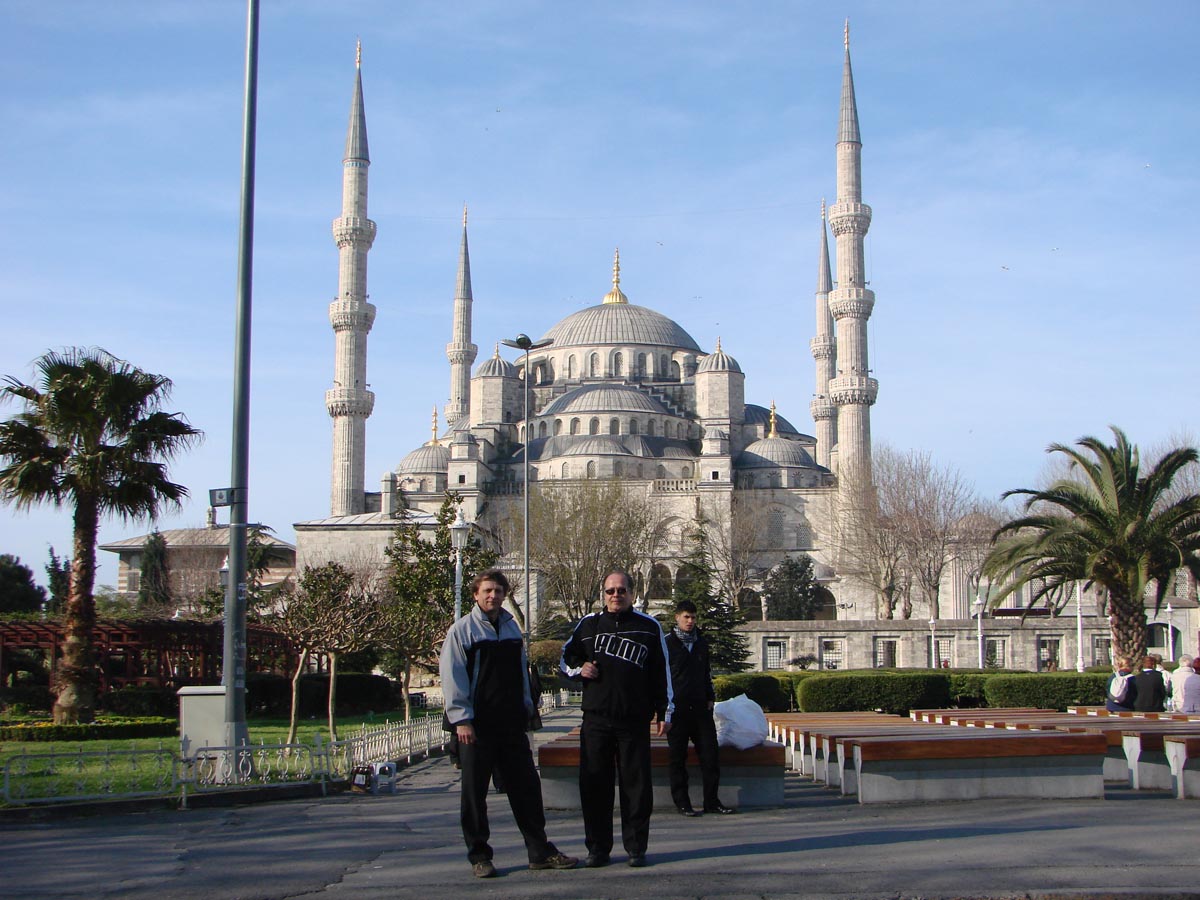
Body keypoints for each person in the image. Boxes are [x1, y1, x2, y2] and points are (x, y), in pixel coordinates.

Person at [440, 569, 577, 878]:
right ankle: (479, 856)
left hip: (511, 723)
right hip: (476, 727)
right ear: (476, 594)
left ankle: (539, 850)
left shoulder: (511, 628)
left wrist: (527, 707)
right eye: (487, 590)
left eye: (498, 591)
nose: (493, 596)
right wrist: (461, 720)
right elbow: (452, 677)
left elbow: (520, 672)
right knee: (474, 794)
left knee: (526, 788)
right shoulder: (462, 631)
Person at [560, 570, 673, 869]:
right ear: (603, 593)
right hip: (596, 718)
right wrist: (580, 669)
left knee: (636, 786)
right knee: (594, 784)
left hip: (633, 719)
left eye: (621, 590)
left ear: (632, 593)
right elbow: (565, 658)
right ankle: (598, 849)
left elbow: (661, 671)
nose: (616, 595)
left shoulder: (649, 627)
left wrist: (665, 710)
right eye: (610, 591)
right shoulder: (589, 624)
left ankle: (636, 847)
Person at [664, 599, 735, 816]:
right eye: (686, 617)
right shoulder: (667, 644)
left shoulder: (701, 643)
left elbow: (706, 673)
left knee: (710, 755)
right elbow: (660, 677)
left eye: (693, 617)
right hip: (677, 709)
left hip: (700, 709)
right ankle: (682, 803)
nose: (690, 621)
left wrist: (710, 698)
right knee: (677, 758)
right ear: (677, 618)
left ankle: (711, 801)